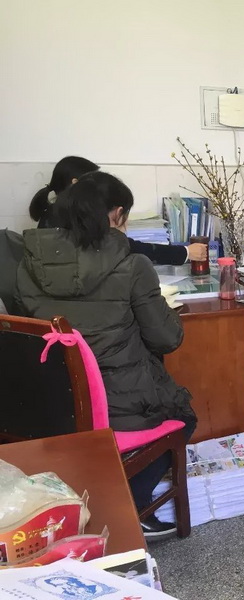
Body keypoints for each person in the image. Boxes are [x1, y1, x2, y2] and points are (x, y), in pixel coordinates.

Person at [16, 171, 196, 539]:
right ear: (116, 215)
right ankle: (133, 503)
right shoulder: (132, 265)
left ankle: (88, 489)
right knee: (183, 412)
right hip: (121, 408)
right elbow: (167, 339)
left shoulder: (27, 266)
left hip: (51, 407)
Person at [29, 156, 207, 265]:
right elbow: (124, 247)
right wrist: (184, 253)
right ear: (76, 184)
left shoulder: (51, 216)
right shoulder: (73, 220)